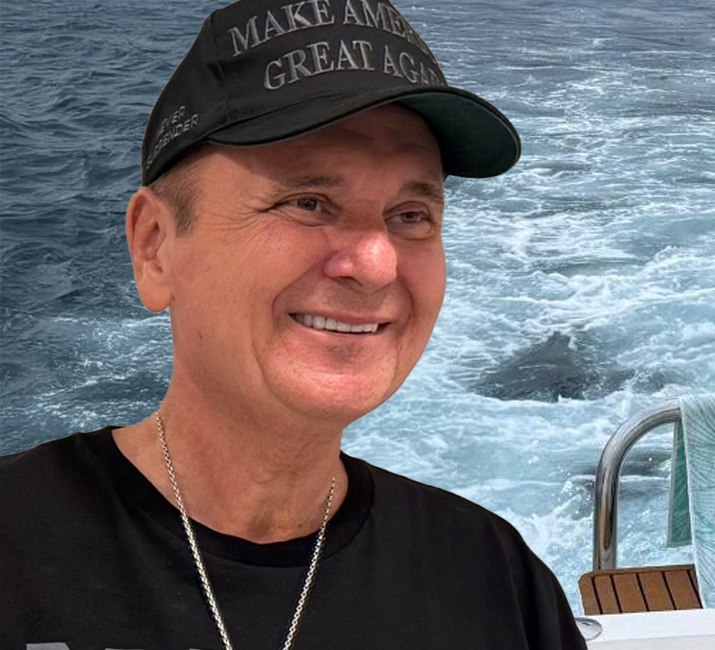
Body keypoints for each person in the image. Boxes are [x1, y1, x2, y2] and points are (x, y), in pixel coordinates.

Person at [0, 1, 585, 647]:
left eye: (411, 215)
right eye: (308, 202)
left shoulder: (492, 578)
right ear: (155, 248)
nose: (376, 264)